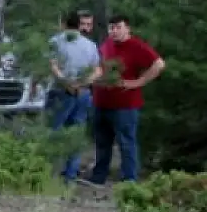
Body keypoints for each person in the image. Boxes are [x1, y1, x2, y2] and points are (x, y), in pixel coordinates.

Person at [88, 15, 165, 184]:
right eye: (111, 28)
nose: (114, 31)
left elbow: (159, 64)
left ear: (127, 28)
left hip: (125, 105)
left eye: (118, 27)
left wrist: (138, 82)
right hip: (101, 102)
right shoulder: (107, 44)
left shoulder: (136, 46)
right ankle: (99, 176)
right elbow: (99, 66)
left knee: (126, 143)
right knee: (102, 141)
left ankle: (129, 179)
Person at [48, 12, 100, 183]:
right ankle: (70, 175)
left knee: (54, 132)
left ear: (64, 24)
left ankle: (50, 173)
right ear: (79, 25)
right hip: (83, 92)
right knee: (76, 132)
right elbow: (98, 70)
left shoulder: (55, 41)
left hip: (61, 91)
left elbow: (53, 66)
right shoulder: (90, 45)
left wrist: (66, 82)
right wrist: (82, 83)